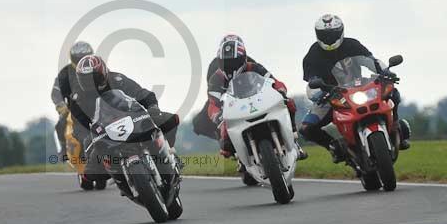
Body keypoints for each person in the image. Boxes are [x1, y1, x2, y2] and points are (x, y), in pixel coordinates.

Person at [300, 14, 411, 162]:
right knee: (307, 128)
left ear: (341, 31)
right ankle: (334, 146)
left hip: (361, 87)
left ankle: (395, 126)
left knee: (393, 92)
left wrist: (385, 72)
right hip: (332, 95)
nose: (329, 38)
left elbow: (371, 61)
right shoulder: (313, 54)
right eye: (324, 35)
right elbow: (311, 80)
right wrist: (318, 92)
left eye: (332, 34)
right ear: (317, 34)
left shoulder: (352, 44)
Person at [72, 54, 180, 184]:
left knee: (170, 120)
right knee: (91, 170)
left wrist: (152, 107)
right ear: (79, 80)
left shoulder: (117, 80)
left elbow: (140, 93)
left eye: (94, 78)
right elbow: (79, 125)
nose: (91, 84)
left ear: (104, 73)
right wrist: (87, 138)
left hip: (132, 117)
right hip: (103, 130)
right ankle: (119, 176)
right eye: (86, 80)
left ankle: (168, 152)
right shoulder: (77, 98)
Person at [206, 34, 305, 159]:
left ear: (243, 58)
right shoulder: (216, 79)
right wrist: (217, 115)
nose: (230, 65)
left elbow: (274, 81)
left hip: (259, 103)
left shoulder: (254, 67)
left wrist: (280, 90)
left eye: (234, 61)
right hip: (236, 110)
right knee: (225, 144)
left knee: (289, 103)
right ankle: (240, 158)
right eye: (225, 62)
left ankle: (294, 139)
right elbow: (212, 103)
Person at [51, 41, 94, 157]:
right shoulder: (65, 73)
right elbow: (56, 92)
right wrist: (61, 105)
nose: (81, 60)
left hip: (97, 103)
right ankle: (64, 149)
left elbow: (109, 81)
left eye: (85, 57)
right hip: (73, 106)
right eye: (78, 58)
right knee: (60, 124)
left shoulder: (97, 67)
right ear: (73, 57)